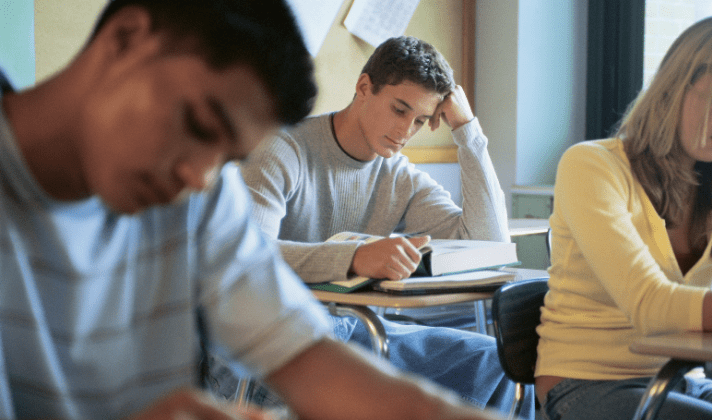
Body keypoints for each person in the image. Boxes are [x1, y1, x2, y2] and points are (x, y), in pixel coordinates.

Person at [0, 1, 511, 419]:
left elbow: (306, 358)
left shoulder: (202, 197)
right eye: (199, 124)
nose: (200, 178)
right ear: (127, 38)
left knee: (487, 361)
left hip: (339, 326)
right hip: (300, 336)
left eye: (228, 158)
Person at [240, 35, 528, 416]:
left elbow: (488, 242)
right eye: (399, 109)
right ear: (364, 88)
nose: (407, 130)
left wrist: (467, 131)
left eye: (422, 120)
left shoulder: (398, 174)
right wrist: (355, 257)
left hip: (356, 331)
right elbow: (247, 257)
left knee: (498, 363)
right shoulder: (282, 148)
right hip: (270, 339)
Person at [534, 15, 712, 420]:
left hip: (682, 383)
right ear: (676, 85)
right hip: (584, 387)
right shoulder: (591, 165)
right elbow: (652, 308)